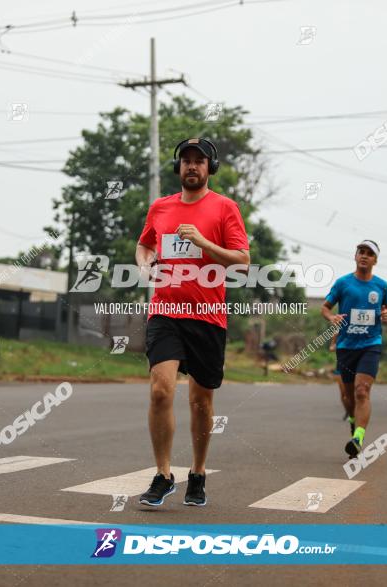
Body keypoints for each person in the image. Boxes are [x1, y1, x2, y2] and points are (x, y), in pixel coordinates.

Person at [135, 138, 250, 507]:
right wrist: (144, 263)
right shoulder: (161, 207)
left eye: (199, 161)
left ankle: (197, 472)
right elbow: (145, 245)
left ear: (209, 168)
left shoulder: (224, 208)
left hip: (207, 317)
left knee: (201, 401)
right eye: (186, 160)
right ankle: (163, 474)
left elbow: (242, 260)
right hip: (165, 312)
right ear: (178, 166)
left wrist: (203, 242)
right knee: (160, 390)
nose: (191, 167)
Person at [321, 240, 387, 460]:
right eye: (361, 252)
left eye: (369, 253)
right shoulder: (343, 283)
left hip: (371, 344)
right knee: (349, 396)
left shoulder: (381, 285)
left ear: (375, 260)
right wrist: (332, 317)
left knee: (362, 391)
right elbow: (325, 307)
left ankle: (359, 438)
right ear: (355, 256)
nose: (364, 256)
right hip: (346, 346)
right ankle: (354, 423)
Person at [329, 336, 350, 423]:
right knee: (344, 395)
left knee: (355, 392)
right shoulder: (338, 335)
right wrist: (334, 340)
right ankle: (348, 411)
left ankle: (355, 412)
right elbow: (331, 348)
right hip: (340, 369)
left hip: (354, 368)